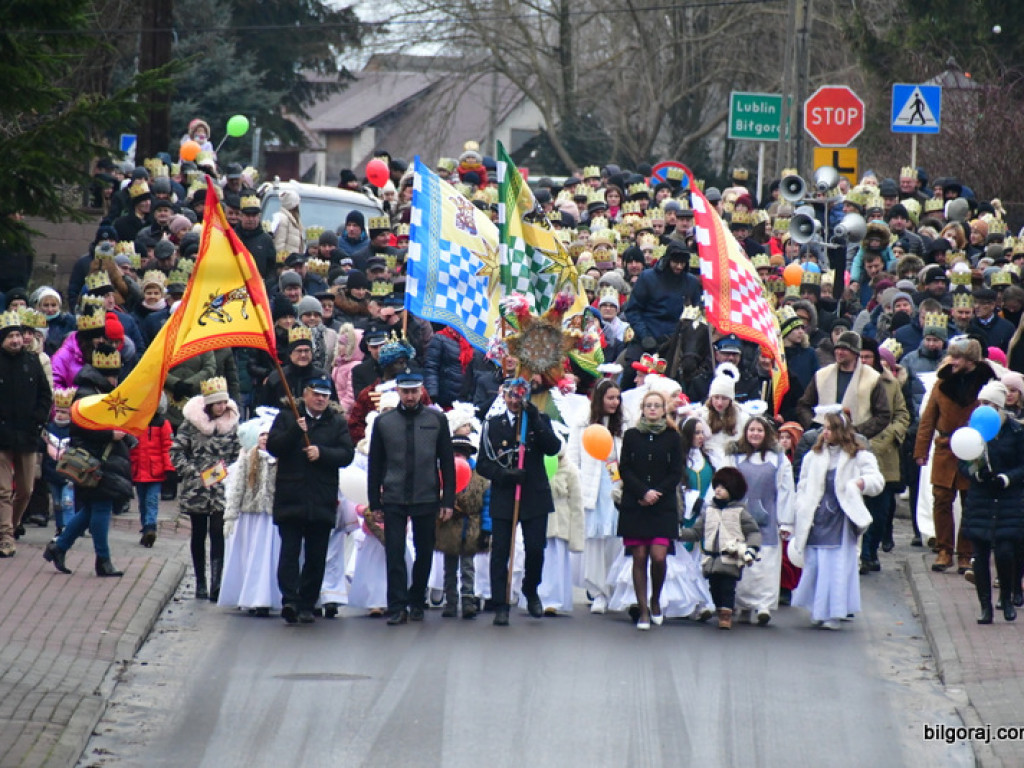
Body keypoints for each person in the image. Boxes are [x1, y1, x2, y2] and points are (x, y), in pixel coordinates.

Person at [367, 369, 455, 625]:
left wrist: (447, 500)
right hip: (394, 496)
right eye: (405, 391)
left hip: (426, 495)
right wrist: (375, 501)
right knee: (394, 552)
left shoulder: (436, 419)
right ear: (398, 391)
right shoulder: (384, 422)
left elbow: (447, 462)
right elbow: (375, 464)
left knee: (424, 551)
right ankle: (397, 606)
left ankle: (416, 599)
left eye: (414, 391)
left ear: (421, 391)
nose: (410, 396)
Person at [267, 376, 354, 624]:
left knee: (316, 556)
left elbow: (346, 454)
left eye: (325, 396)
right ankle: (290, 600)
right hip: (291, 496)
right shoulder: (288, 417)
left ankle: (307, 603)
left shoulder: (336, 422)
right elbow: (274, 446)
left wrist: (322, 453)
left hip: (321, 497)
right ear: (305, 394)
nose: (320, 399)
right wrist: (296, 431)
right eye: (316, 394)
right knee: (290, 553)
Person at [476, 377, 563, 626]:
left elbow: (553, 448)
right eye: (511, 395)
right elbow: (483, 464)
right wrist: (504, 474)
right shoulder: (493, 424)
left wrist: (535, 419)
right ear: (503, 396)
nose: (515, 401)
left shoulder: (538, 419)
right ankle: (501, 602)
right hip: (506, 494)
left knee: (535, 548)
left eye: (519, 395)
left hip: (534, 495)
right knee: (500, 552)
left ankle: (530, 588)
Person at [788, 409, 884, 630]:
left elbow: (876, 480)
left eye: (830, 429)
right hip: (816, 517)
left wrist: (860, 483)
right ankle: (817, 608)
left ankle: (834, 612)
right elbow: (803, 484)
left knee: (835, 565)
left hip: (840, 519)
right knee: (815, 563)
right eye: (824, 428)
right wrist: (801, 506)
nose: (825, 433)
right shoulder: (814, 456)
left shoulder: (858, 456)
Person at [44, 347, 133, 576]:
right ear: (104, 375)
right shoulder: (87, 395)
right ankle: (103, 560)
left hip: (102, 458)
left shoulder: (96, 391)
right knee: (101, 507)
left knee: (91, 509)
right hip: (94, 460)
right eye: (113, 375)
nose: (116, 380)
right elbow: (82, 427)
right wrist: (110, 435)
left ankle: (59, 546)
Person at [914, 336, 997, 573]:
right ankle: (944, 550)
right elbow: (928, 419)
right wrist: (921, 450)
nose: (952, 361)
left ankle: (966, 553)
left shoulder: (987, 384)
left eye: (958, 357)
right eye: (952, 356)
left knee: (970, 502)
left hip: (975, 449)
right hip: (945, 447)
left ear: (970, 360)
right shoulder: (942, 384)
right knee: (941, 499)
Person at [615, 390, 684, 630]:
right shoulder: (632, 435)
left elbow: (676, 471)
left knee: (658, 556)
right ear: (642, 409)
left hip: (662, 505)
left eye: (657, 405)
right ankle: (643, 609)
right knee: (639, 556)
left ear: (664, 410)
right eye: (648, 405)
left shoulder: (673, 437)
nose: (652, 409)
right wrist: (642, 492)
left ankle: (656, 599)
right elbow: (625, 468)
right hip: (636, 504)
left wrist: (657, 493)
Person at [170, 377, 241, 601]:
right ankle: (200, 582)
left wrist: (230, 471)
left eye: (224, 402)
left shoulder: (231, 424)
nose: (222, 407)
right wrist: (192, 472)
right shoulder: (191, 424)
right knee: (198, 533)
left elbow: (238, 453)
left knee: (218, 532)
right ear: (209, 404)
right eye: (217, 403)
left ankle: (217, 583)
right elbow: (176, 452)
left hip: (222, 487)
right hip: (197, 488)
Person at [959, 381, 1024, 624]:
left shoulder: (1016, 432)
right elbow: (963, 462)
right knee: (980, 555)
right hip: (981, 499)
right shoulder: (972, 431)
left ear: (998, 406)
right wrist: (977, 474)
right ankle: (985, 606)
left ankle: (1006, 598)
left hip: (1007, 499)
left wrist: (1007, 478)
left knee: (1005, 552)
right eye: (980, 403)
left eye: (988, 403)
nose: (982, 408)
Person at [722, 414, 795, 625]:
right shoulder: (734, 458)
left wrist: (786, 521)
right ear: (745, 433)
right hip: (740, 518)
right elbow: (724, 484)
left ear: (766, 434)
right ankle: (742, 605)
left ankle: (763, 605)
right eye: (751, 430)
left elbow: (786, 490)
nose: (755, 434)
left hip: (768, 518)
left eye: (759, 430)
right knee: (741, 560)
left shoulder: (778, 459)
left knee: (766, 562)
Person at [676, 466, 761, 629]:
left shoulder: (740, 512)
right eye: (717, 487)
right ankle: (720, 608)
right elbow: (696, 532)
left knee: (728, 587)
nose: (718, 490)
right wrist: (679, 534)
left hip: (731, 556)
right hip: (711, 558)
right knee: (714, 587)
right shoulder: (708, 511)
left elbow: (753, 532)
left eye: (723, 487)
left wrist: (752, 548)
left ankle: (726, 614)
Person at [0, 310, 53, 556]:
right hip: (2, 436)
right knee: (3, 491)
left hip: (28, 434)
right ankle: (5, 537)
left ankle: (12, 525)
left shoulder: (32, 361)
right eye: (10, 336)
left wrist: (38, 419)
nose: (15, 340)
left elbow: (45, 394)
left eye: (18, 336)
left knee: (26, 490)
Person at [219, 408, 281, 617]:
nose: (264, 439)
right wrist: (230, 516)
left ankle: (265, 597)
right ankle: (248, 596)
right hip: (249, 515)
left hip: (270, 517)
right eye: (262, 435)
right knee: (249, 555)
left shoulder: (280, 459)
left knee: (266, 557)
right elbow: (237, 487)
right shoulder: (248, 458)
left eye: (268, 435)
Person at [571, 378, 623, 614]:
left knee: (614, 542)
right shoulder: (582, 424)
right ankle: (597, 592)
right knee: (594, 543)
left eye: (617, 398)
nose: (615, 402)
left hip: (614, 487)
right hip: (592, 488)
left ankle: (612, 589)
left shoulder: (623, 425)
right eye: (610, 398)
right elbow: (573, 458)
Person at [435, 433, 490, 619]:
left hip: (470, 527)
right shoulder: (442, 474)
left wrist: (486, 529)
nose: (457, 457)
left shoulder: (479, 478)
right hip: (448, 526)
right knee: (449, 567)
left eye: (461, 453)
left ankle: (468, 600)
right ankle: (450, 601)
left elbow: (487, 504)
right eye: (454, 453)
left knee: (468, 566)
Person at [129, 395, 174, 548]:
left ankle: (150, 526)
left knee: (151, 500)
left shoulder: (162, 423)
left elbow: (167, 447)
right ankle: (146, 528)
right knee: (142, 502)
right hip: (139, 470)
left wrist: (169, 468)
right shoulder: (135, 423)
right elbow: (131, 447)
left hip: (155, 471)